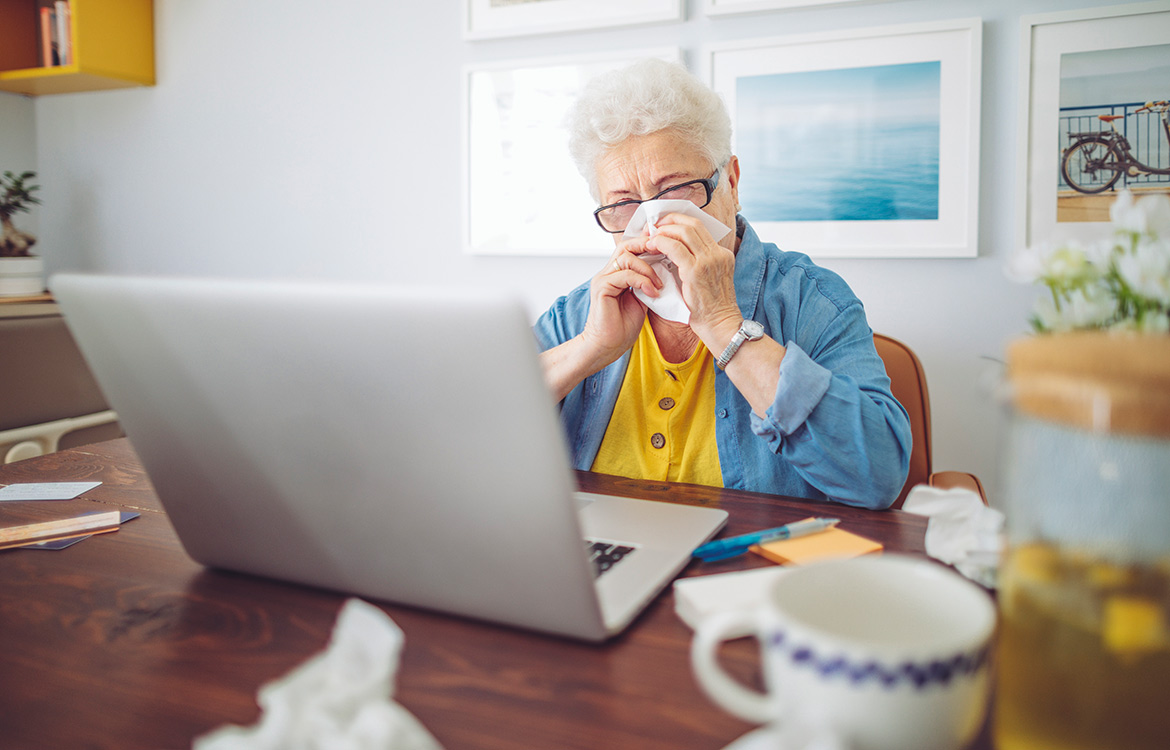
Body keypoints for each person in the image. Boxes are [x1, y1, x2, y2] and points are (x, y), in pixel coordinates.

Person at [534, 59, 911, 510]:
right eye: (624, 204)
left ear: (730, 181)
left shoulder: (814, 300)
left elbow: (878, 477)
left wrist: (724, 324)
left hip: (749, 566)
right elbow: (472, 442)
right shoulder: (579, 313)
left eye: (676, 189)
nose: (652, 225)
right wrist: (590, 349)